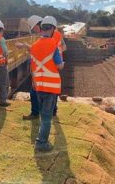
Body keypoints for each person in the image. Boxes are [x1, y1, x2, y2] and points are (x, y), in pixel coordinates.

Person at [30, 16, 64, 152]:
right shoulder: (54, 45)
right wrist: (62, 63)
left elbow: (33, 67)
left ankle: (41, 139)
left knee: (42, 114)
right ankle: (41, 142)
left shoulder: (33, 46)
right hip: (51, 88)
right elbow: (59, 66)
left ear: (41, 28)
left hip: (39, 86)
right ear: (52, 29)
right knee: (46, 117)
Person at [21, 15, 43, 120]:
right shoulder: (44, 36)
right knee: (36, 92)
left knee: (35, 92)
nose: (34, 31)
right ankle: (40, 112)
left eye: (34, 28)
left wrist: (25, 46)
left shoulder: (46, 37)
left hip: (42, 70)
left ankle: (36, 113)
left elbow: (39, 51)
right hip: (40, 69)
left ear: (39, 25)